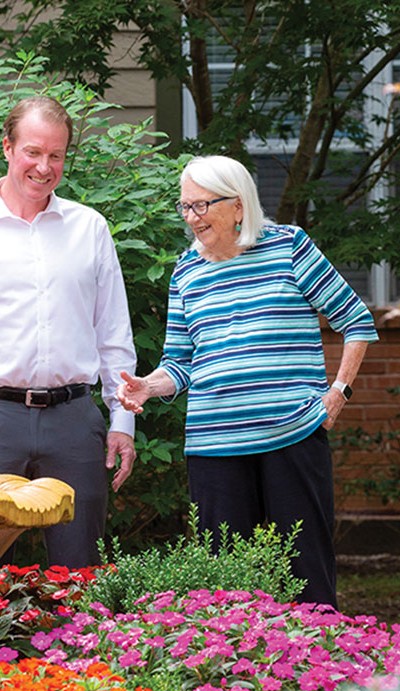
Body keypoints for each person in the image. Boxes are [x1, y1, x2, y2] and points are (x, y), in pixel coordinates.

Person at [117, 154, 378, 607]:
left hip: (291, 436)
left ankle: (320, 672)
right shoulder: (186, 271)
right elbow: (180, 363)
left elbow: (356, 321)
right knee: (226, 583)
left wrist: (338, 393)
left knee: (306, 574)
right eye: (186, 207)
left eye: (202, 205)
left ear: (238, 206)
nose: (192, 218)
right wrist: (147, 385)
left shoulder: (289, 247)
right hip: (215, 448)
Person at [0, 95, 137, 568]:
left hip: (73, 422)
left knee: (81, 575)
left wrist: (123, 422)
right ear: (8, 148)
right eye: (33, 152)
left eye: (55, 155)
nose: (44, 166)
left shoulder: (90, 228)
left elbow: (113, 335)